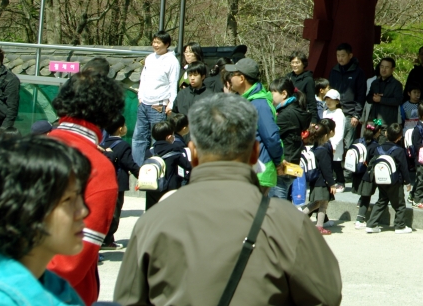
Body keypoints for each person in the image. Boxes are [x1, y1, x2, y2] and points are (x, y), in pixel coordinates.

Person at [115, 94, 343, 305]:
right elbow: (327, 294)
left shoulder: (153, 221)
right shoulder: (286, 222)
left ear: (193, 152)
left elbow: (128, 299)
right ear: (254, 153)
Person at [0, 136, 89, 306]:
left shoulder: (51, 285)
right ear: (22, 209)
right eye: (68, 199)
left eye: (80, 196)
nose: (83, 211)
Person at [47, 70, 124, 305]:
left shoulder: (27, 149)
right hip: (63, 295)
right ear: (109, 112)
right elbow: (75, 257)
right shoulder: (98, 166)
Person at [226, 57, 282, 192]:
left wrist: (278, 161)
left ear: (241, 78)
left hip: (258, 173)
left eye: (233, 74)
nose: (230, 78)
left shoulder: (259, 104)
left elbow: (271, 137)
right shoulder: (247, 101)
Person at [132, 31, 181, 166]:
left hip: (158, 105)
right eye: (154, 42)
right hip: (144, 103)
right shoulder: (149, 58)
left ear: (166, 44)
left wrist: (171, 103)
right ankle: (138, 168)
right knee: (139, 137)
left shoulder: (172, 61)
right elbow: (143, 78)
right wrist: (140, 96)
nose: (155, 45)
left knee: (157, 139)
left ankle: (156, 167)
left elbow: (173, 83)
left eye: (158, 42)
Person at [102, 114, 139, 249]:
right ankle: (107, 241)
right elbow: (129, 164)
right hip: (117, 183)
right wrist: (142, 174)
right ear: (120, 129)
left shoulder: (102, 144)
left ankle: (105, 238)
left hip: (104, 182)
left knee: (105, 211)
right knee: (115, 212)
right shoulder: (123, 145)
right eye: (124, 125)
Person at [367, 123, 412, 234]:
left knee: (381, 201)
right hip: (395, 182)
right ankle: (400, 226)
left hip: (380, 180)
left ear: (386, 133)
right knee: (400, 204)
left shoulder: (378, 148)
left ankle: (371, 224)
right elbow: (404, 168)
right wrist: (408, 182)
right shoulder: (399, 150)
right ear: (400, 137)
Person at [270, 77, 310, 200]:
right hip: (291, 162)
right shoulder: (293, 110)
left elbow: (270, 135)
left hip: (283, 164)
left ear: (284, 94)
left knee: (277, 204)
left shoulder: (286, 114)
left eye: (273, 92)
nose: (270, 95)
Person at [142, 120, 191, 210]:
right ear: (169, 137)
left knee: (152, 213)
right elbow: (188, 166)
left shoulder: (150, 152)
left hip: (152, 188)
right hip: (169, 189)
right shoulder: (174, 149)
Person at [328, 43, 366, 156]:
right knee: (332, 141)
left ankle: (347, 167)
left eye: (343, 55)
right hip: (334, 111)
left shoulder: (358, 72)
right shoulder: (334, 71)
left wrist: (356, 115)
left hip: (350, 114)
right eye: (338, 55)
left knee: (348, 145)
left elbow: (361, 95)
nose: (340, 58)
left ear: (350, 55)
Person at [304, 123, 337, 236]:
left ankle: (303, 218)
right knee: (323, 204)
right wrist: (332, 184)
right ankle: (319, 226)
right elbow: (326, 169)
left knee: (317, 203)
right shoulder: (323, 151)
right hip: (322, 182)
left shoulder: (314, 149)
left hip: (315, 181)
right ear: (325, 136)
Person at [352, 122, 382, 228]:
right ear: (376, 133)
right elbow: (375, 161)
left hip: (356, 172)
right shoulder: (375, 146)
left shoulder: (357, 141)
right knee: (366, 196)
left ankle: (360, 202)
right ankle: (359, 220)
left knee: (363, 195)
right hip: (367, 175)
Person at [367, 57, 404, 126]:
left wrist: (381, 99)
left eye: (387, 67)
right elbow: (368, 98)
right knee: (371, 132)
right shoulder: (375, 83)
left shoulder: (396, 84)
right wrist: (373, 98)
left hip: (387, 121)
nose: (383, 70)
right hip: (374, 119)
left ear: (393, 69)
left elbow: (398, 101)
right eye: (382, 67)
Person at [323, 89, 347, 191]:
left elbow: (340, 132)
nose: (328, 102)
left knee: (336, 164)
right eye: (327, 99)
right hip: (325, 142)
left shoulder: (339, 114)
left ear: (337, 101)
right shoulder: (325, 112)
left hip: (335, 143)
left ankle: (341, 182)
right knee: (327, 163)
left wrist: (334, 144)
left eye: (331, 100)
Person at [288, 52, 319, 122]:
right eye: (292, 62)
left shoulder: (308, 80)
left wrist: (313, 119)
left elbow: (311, 101)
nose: (294, 65)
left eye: (297, 63)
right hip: (288, 113)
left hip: (301, 114)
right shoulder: (288, 77)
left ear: (303, 64)